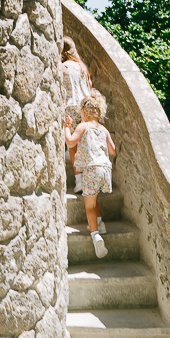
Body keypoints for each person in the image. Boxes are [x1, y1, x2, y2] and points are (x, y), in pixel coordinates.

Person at [65, 90, 115, 260]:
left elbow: (71, 141)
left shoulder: (82, 126)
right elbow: (112, 150)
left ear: (84, 112)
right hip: (105, 170)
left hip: (91, 169)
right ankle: (100, 224)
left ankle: (96, 236)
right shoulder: (103, 129)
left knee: (89, 207)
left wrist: (66, 128)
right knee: (93, 198)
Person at [62, 36, 92, 194]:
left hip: (71, 106)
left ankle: (79, 180)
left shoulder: (63, 67)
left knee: (72, 146)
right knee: (84, 144)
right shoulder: (82, 67)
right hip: (85, 107)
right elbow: (90, 85)